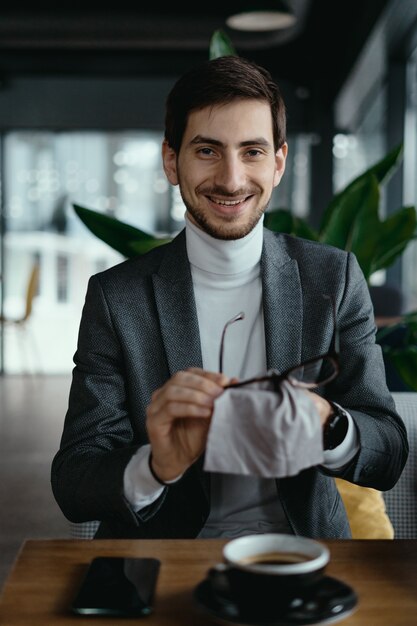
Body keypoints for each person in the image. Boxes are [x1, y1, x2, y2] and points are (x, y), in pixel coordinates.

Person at [51, 55, 408, 540]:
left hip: (303, 555)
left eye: (253, 151)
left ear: (278, 163)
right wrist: (156, 465)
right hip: (165, 563)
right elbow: (75, 480)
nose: (232, 179)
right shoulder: (118, 297)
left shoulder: (335, 278)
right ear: (171, 161)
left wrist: (329, 425)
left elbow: (388, 453)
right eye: (207, 150)